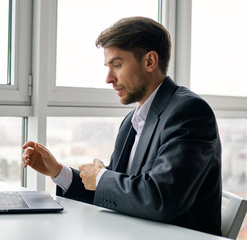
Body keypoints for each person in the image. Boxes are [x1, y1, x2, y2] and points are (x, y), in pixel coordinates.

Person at [22, 16, 222, 236]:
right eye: (108, 67)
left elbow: (161, 199)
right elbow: (119, 194)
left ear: (149, 61)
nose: (108, 78)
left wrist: (100, 177)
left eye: (117, 64)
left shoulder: (189, 112)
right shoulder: (132, 121)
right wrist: (59, 171)